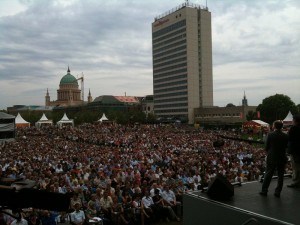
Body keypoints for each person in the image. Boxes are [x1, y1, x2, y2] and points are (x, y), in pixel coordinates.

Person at [260, 120, 288, 197]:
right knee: (281, 175)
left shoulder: (270, 135)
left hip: (272, 157)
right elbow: (286, 147)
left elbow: (266, 147)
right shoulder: (286, 136)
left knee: (268, 174)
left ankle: (264, 191)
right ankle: (278, 192)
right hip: (282, 157)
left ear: (274, 126)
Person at [287, 115, 300, 188]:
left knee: (296, 167)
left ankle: (296, 182)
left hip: (295, 151)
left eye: (293, 120)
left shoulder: (294, 128)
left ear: (295, 121)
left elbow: (289, 138)